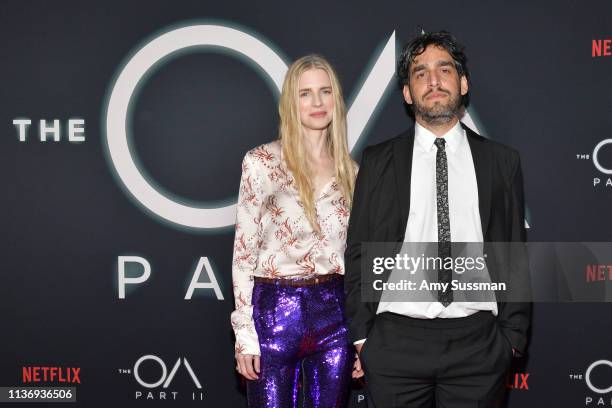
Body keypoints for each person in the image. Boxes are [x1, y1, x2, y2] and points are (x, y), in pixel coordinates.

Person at [345, 31, 531, 407]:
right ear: (407, 94)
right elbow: (358, 251)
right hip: (394, 342)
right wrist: (364, 337)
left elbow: (512, 253)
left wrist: (511, 337)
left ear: (462, 83)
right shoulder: (379, 161)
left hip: (478, 344)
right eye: (420, 73)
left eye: (444, 70)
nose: (433, 80)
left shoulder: (501, 162)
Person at [231, 54, 357, 407]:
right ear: (290, 102)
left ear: (336, 100)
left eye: (325, 91)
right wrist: (245, 334)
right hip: (273, 310)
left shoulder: (352, 173)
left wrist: (361, 336)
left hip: (335, 311)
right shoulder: (261, 163)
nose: (317, 102)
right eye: (305, 94)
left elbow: (356, 259)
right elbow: (243, 253)